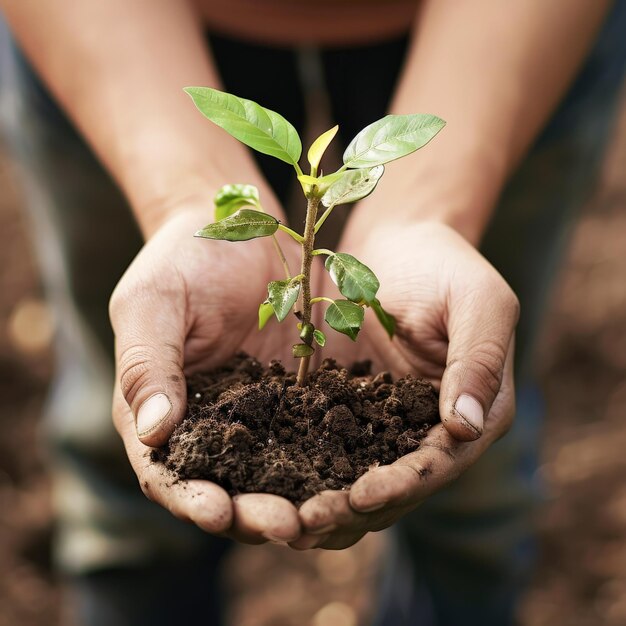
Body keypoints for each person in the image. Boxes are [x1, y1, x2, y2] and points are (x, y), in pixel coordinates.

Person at [0, 1, 624, 624]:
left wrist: (425, 210)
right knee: (128, 485)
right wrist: (183, 199)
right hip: (108, 38)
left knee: (474, 490)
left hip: (514, 39)